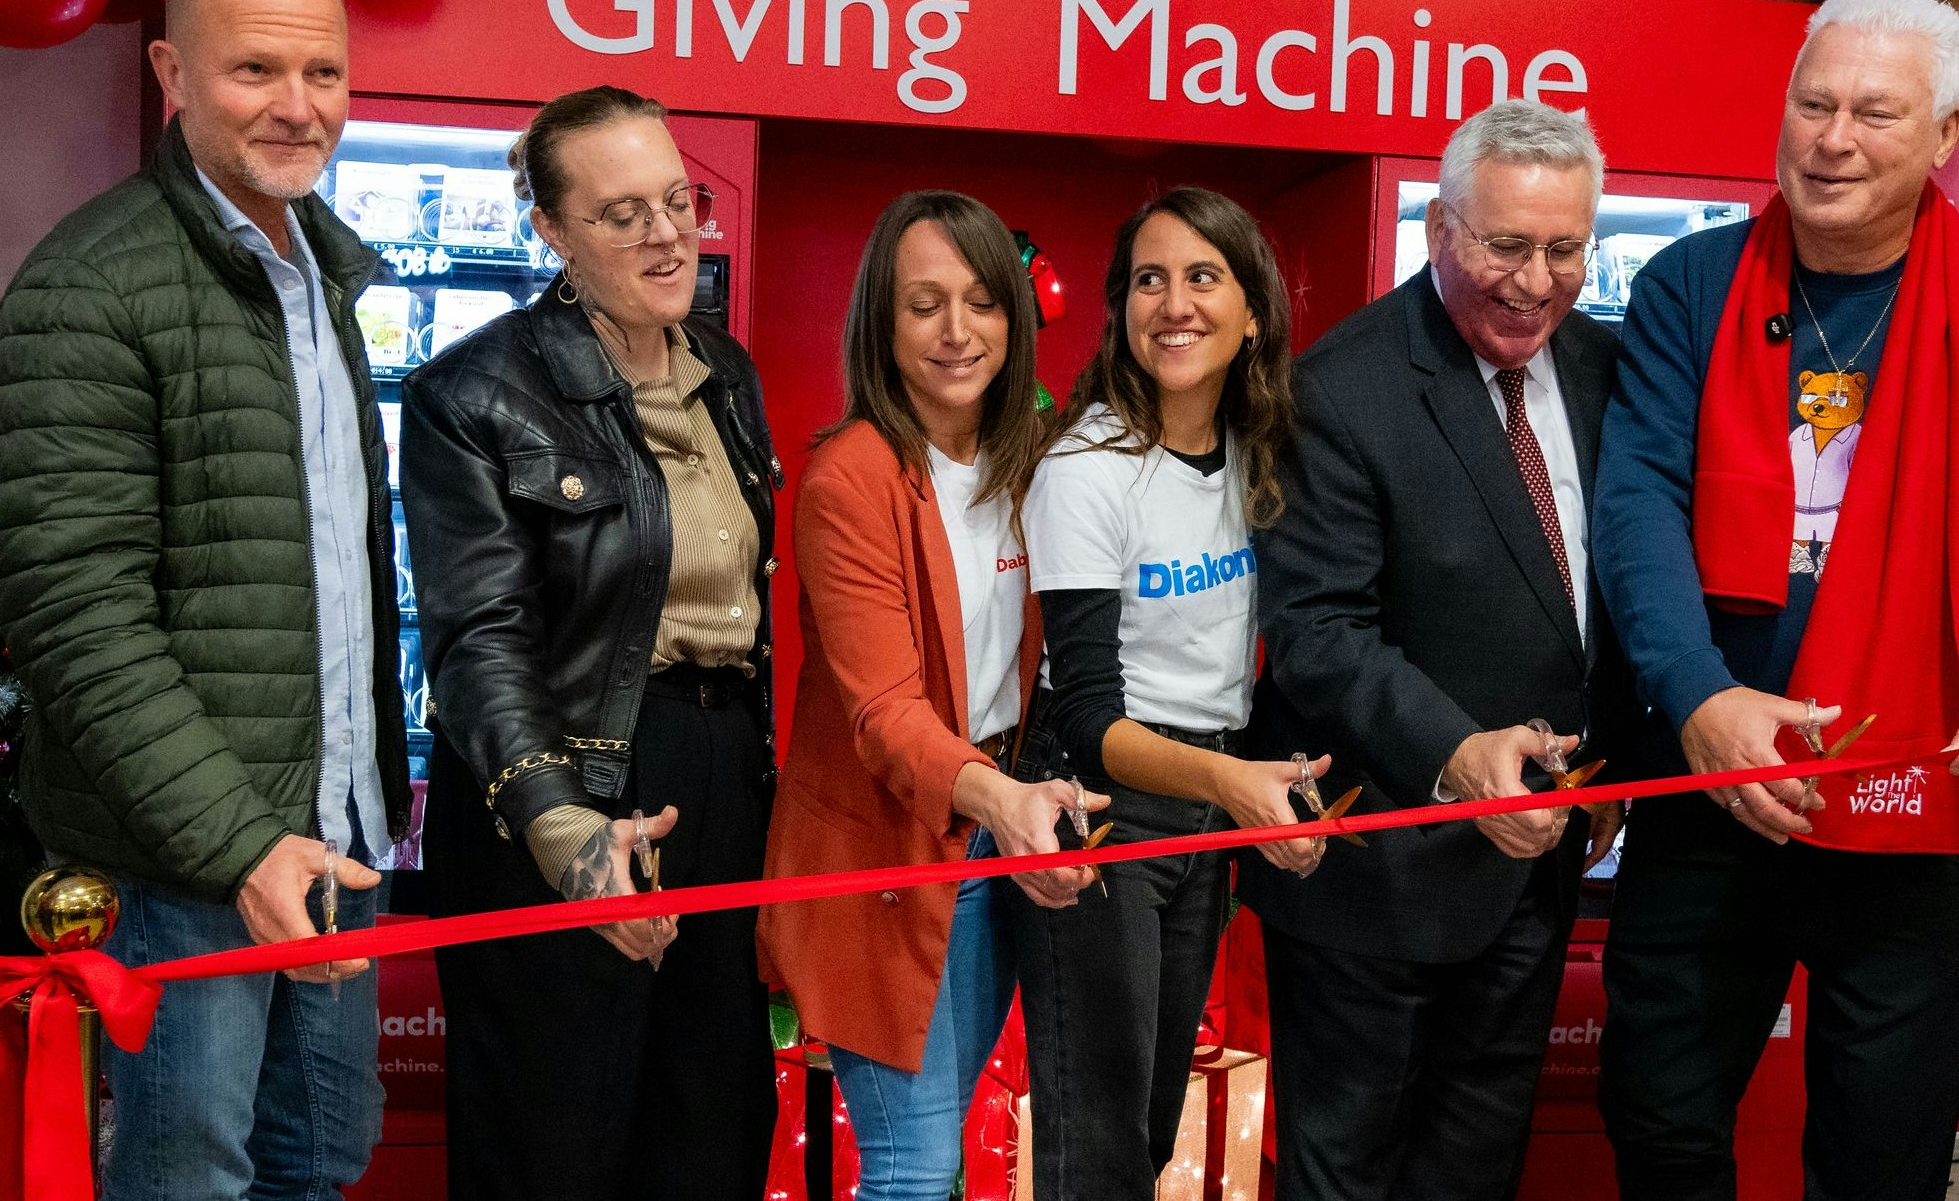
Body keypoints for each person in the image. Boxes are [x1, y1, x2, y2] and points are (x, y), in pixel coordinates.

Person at [1591, 0, 1959, 1199]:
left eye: (1873, 113)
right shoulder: (1685, 285)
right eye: (1812, 103)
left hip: (1914, 803)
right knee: (1657, 1123)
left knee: (1881, 1162)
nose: (1830, 138)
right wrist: (1696, 695)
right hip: (1711, 786)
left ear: (1944, 134)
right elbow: (1634, 512)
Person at [0, 0, 407, 1201]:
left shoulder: (322, 275)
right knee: (188, 1179)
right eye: (255, 70)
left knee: (319, 1160)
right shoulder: (90, 284)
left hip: (331, 840)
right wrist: (241, 846)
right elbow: (77, 620)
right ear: (172, 74)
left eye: (324, 72)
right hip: (182, 866)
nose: (299, 106)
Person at [400, 85, 782, 1199]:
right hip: (566, 784)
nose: (667, 235)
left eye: (678, 201)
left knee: (711, 1126)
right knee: (553, 1138)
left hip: (717, 778)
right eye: (622, 214)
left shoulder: (726, 373)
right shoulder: (470, 393)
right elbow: (478, 640)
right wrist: (561, 823)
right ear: (551, 231)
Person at [1248, 98, 1632, 1201]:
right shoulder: (1340, 387)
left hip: (1532, 868)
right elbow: (1316, 631)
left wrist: (1611, 760)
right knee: (1346, 1174)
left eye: (1564, 249)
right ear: (1438, 231)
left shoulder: (1609, 369)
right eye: (1505, 245)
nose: (1534, 281)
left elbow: (1614, 591)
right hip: (1374, 876)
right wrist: (1459, 755)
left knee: (1474, 1169)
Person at [757, 190, 1104, 1201]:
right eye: (924, 304)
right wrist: (1002, 796)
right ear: (883, 321)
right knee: (912, 1167)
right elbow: (886, 714)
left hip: (996, 837)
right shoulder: (848, 479)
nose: (958, 330)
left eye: (981, 300)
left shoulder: (1032, 461)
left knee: (940, 1144)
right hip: (886, 850)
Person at [1010, 187, 1328, 1199]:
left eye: (1202, 277)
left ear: (1252, 314)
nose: (1174, 304)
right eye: (1149, 279)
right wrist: (1233, 783)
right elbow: (1084, 716)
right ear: (1121, 308)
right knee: (1099, 1137)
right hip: (1104, 799)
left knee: (1147, 1120)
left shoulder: (1257, 453)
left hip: (1201, 802)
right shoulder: (1086, 467)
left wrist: (1252, 785)